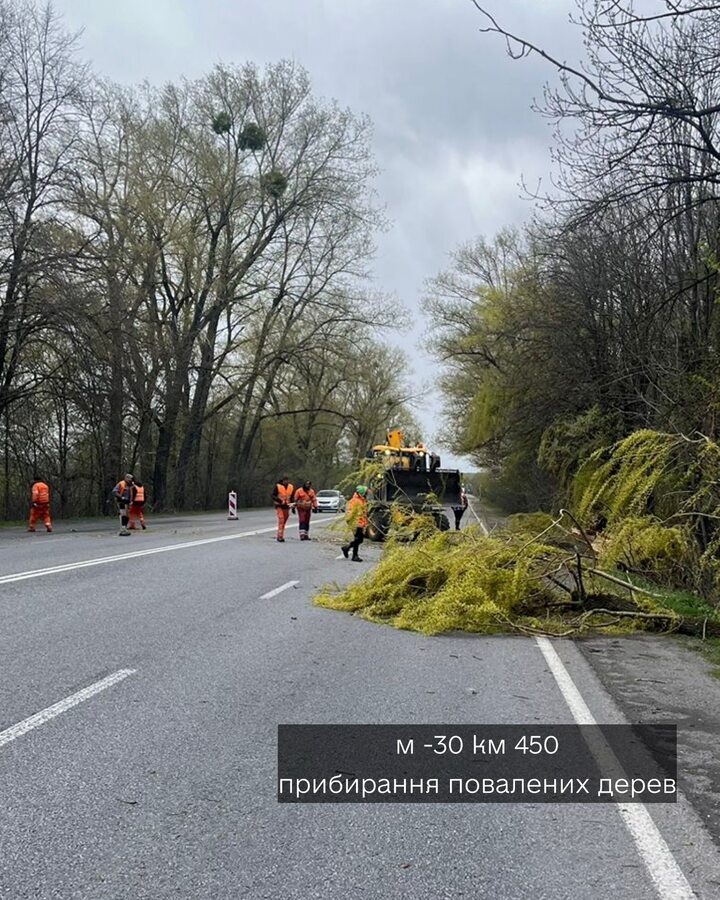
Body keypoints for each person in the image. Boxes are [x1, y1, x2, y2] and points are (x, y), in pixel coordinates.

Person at [341, 485, 368, 562]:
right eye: (365, 493)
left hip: (360, 522)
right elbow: (351, 512)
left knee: (359, 539)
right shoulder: (355, 501)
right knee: (358, 539)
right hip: (356, 522)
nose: (366, 494)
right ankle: (354, 556)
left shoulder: (361, 500)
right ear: (362, 493)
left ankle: (347, 548)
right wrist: (351, 521)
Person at [272, 476, 295, 542]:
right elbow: (273, 495)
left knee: (284, 521)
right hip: (279, 506)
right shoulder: (278, 486)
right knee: (281, 519)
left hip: (287, 506)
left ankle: (280, 534)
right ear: (283, 481)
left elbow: (292, 497)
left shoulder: (291, 487)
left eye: (287, 480)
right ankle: (280, 537)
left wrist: (293, 507)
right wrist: (280, 501)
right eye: (285, 481)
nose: (286, 482)